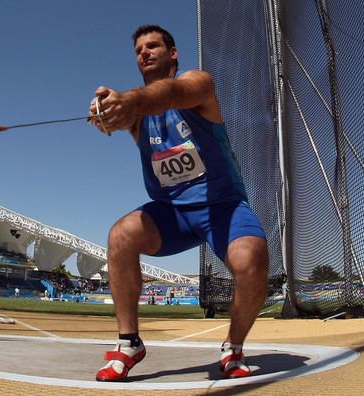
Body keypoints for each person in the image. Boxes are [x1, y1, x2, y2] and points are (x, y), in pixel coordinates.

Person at [88, 25, 269, 382]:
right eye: (138, 49)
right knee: (121, 235)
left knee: (250, 263)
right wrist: (106, 111)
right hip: (172, 213)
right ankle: (129, 344)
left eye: (153, 45)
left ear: (172, 53)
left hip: (223, 207)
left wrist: (131, 101)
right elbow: (124, 114)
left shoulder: (199, 83)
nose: (144, 52)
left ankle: (233, 346)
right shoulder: (138, 111)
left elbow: (170, 93)